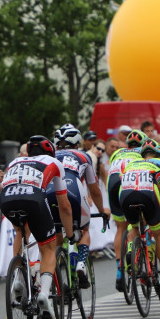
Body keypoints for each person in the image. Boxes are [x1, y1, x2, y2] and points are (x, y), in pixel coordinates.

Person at [0, 135, 73, 319]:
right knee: (48, 247)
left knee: (20, 231)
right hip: (33, 199)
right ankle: (44, 294)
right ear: (51, 151)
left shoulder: (15, 160)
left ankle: (18, 277)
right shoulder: (55, 162)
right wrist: (70, 233)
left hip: (7, 200)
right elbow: (63, 205)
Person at [118, 141, 160, 291]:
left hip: (125, 195)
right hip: (148, 193)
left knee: (134, 226)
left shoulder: (132, 163)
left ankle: (130, 250)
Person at [51, 124, 109, 289]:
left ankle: (54, 275)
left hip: (50, 193)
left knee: (56, 234)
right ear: (77, 143)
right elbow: (94, 189)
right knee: (84, 229)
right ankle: (81, 263)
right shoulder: (84, 156)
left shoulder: (49, 155)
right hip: (74, 191)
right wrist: (102, 210)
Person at [107, 130, 146, 292]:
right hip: (129, 182)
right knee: (136, 223)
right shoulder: (146, 152)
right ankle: (132, 251)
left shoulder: (117, 152)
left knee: (120, 227)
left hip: (114, 182)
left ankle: (118, 271)